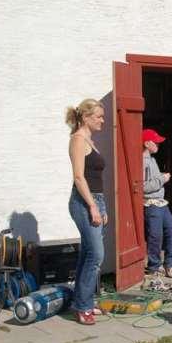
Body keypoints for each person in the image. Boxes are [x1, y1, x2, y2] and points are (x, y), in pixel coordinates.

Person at [67, 99, 107, 325]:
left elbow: (96, 178)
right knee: (96, 255)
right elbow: (79, 177)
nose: (102, 120)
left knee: (87, 254)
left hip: (95, 201)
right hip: (83, 202)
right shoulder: (78, 140)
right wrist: (93, 206)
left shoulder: (90, 141)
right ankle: (83, 306)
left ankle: (84, 301)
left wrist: (103, 207)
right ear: (86, 117)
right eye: (99, 116)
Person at [142, 129, 172, 278]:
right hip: (151, 203)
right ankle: (154, 266)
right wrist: (162, 179)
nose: (158, 144)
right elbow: (143, 186)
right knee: (155, 235)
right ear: (146, 143)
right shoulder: (142, 161)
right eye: (155, 141)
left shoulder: (152, 159)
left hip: (161, 203)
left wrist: (160, 178)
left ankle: (170, 264)